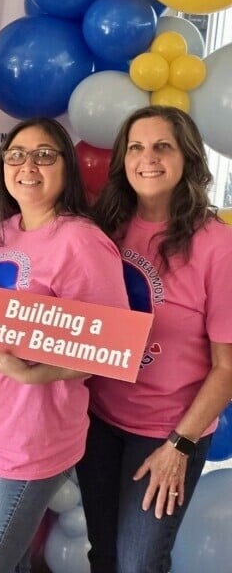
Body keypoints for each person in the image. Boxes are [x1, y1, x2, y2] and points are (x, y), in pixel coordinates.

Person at [0, 117, 129, 573]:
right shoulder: (3, 232)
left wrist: (34, 373)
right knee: (7, 563)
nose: (28, 165)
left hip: (28, 440)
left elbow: (111, 348)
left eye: (44, 155)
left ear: (66, 167)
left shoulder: (82, 242)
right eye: (16, 155)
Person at [77, 105, 232, 573]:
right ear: (122, 159)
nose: (149, 158)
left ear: (187, 157)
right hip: (99, 421)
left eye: (162, 146)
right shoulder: (103, 228)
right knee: (103, 554)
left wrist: (179, 447)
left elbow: (227, 366)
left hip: (167, 433)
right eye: (137, 147)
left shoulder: (216, 245)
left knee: (139, 563)